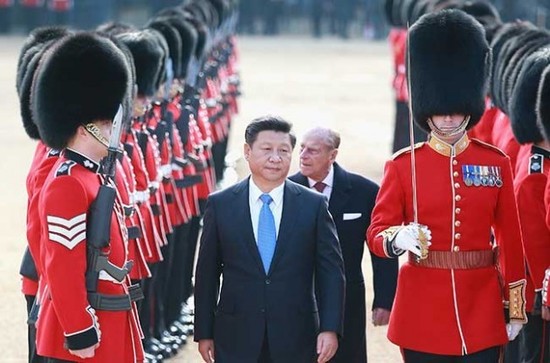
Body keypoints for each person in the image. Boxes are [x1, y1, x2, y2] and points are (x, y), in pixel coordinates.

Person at [367, 10, 527, 362]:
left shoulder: (494, 162)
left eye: (456, 109)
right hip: (421, 309)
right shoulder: (402, 165)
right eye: (441, 111)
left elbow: (511, 240)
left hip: (480, 308)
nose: (450, 117)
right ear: (427, 109)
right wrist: (397, 239)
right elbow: (376, 233)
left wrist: (515, 306)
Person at [194, 116, 345, 363]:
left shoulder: (313, 205)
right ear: (247, 151)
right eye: (267, 149)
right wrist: (204, 331)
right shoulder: (221, 204)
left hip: (297, 334)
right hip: (235, 334)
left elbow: (331, 272)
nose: (275, 158)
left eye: (284, 151)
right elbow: (207, 273)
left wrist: (330, 328)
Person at [32, 32, 144, 362]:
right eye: (106, 126)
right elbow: (63, 263)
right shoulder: (68, 183)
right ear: (85, 129)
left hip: (110, 313)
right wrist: (79, 328)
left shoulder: (91, 175)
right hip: (88, 328)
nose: (112, 133)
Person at [289, 127, 398, 363]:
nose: (303, 155)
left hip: (347, 300)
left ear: (332, 155)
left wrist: (384, 300)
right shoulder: (286, 191)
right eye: (302, 148)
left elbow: (381, 250)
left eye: (313, 150)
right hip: (296, 300)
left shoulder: (365, 191)